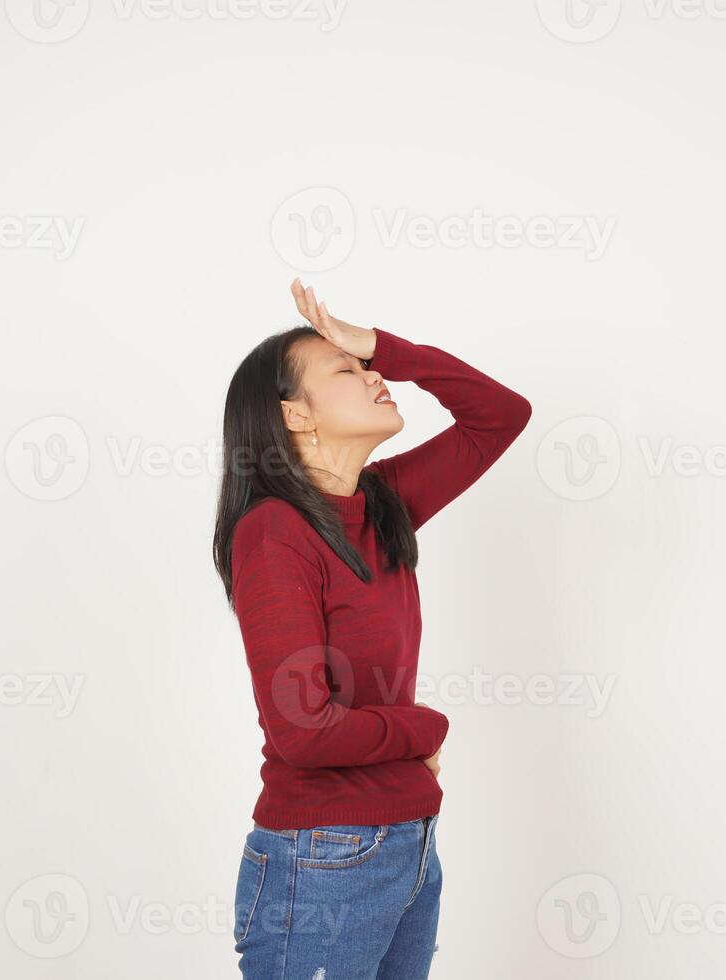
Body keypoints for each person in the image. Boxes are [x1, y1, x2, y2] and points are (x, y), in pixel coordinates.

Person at [213, 279, 532, 979]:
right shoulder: (275, 533)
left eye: (367, 366)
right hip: (323, 860)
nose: (374, 375)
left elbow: (502, 415)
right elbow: (304, 729)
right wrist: (421, 730)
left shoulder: (381, 502)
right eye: (346, 371)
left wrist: (382, 345)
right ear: (293, 415)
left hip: (409, 846)